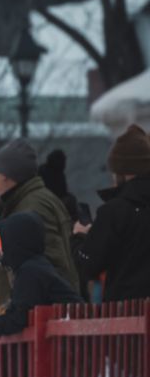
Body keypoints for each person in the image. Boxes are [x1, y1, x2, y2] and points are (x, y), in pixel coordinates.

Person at [0, 212, 83, 365]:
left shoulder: (30, 272)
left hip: (67, 352)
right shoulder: (35, 267)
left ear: (15, 243)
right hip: (66, 348)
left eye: (2, 244)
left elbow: (19, 317)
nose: (0, 250)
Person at [0, 138, 79, 308]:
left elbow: (47, 267)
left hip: (35, 320)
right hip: (31, 317)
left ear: (6, 175)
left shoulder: (32, 208)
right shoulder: (26, 202)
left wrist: (19, 309)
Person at [73, 124, 150, 303]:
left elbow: (88, 266)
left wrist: (79, 238)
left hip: (128, 318)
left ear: (125, 170)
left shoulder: (115, 212)